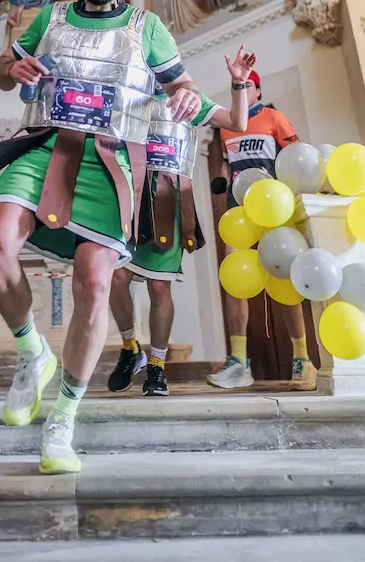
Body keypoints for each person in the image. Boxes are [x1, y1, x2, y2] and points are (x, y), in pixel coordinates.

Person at [0, 0, 205, 475]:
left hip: (114, 160)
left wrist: (186, 99)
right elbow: (0, 68)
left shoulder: (148, 26)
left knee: (95, 280)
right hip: (45, 144)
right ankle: (30, 353)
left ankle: (64, 412)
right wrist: (11, 69)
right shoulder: (52, 15)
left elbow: (181, 85)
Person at [108, 45, 256, 397]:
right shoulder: (126, 95)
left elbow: (237, 123)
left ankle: (157, 367)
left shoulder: (190, 100)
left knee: (160, 287)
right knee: (115, 275)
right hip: (128, 194)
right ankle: (131, 348)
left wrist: (238, 84)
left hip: (168, 197)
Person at [207, 70, 317, 392]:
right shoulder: (227, 126)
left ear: (257, 90)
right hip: (238, 212)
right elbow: (229, 166)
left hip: (274, 209)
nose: (240, 91)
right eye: (235, 88)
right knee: (233, 281)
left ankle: (302, 359)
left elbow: (296, 159)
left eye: (246, 86)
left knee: (283, 281)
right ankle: (239, 362)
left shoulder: (274, 117)